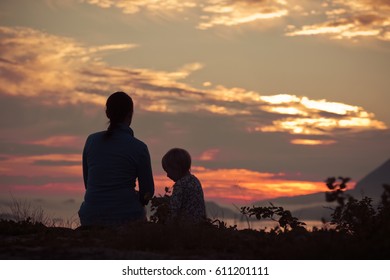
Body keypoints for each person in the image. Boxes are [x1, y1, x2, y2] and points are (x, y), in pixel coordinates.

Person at [78, 91, 154, 226]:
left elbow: (87, 183)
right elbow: (147, 193)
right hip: (127, 217)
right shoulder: (139, 148)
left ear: (107, 113)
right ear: (130, 114)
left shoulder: (91, 141)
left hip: (90, 217)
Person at [162, 148, 206, 224]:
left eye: (168, 171)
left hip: (185, 227)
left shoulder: (180, 185)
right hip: (199, 226)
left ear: (176, 168)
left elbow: (174, 210)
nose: (167, 175)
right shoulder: (195, 180)